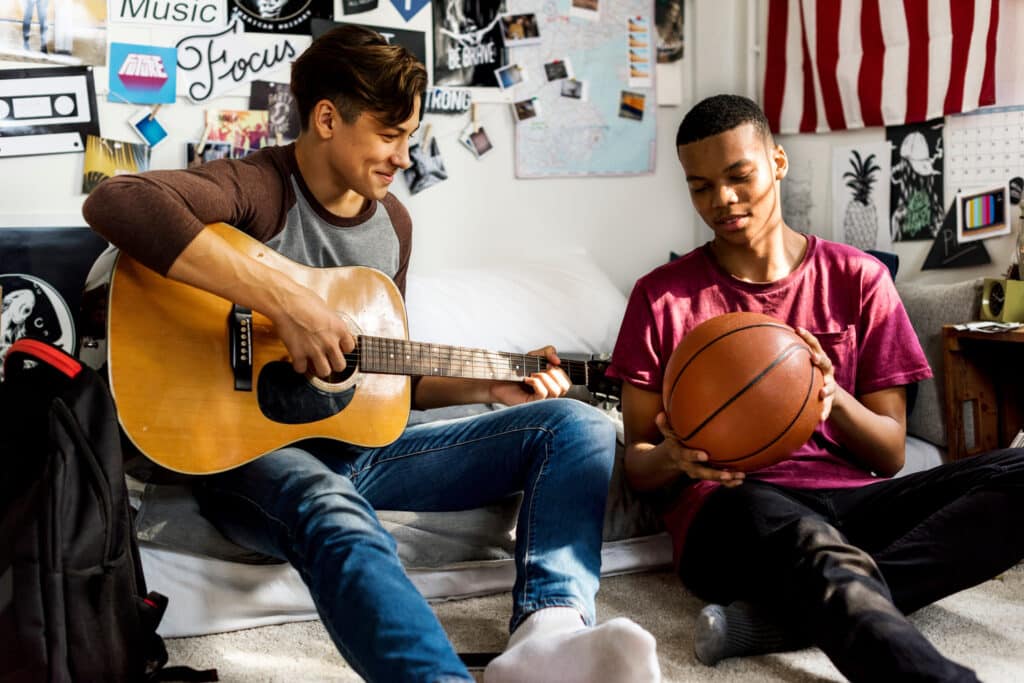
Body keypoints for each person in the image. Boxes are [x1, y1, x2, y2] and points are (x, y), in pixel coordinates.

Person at [83, 25, 660, 683]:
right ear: (327, 117)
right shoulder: (260, 186)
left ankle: (548, 631)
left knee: (579, 426)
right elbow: (117, 200)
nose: (404, 156)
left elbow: (388, 382)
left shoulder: (394, 227)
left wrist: (487, 388)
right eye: (390, 134)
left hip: (361, 449)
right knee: (331, 507)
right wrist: (284, 301)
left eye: (410, 136)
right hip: (245, 457)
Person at [606, 93, 1024, 682]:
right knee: (808, 541)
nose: (721, 200)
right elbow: (639, 468)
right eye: (700, 186)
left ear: (777, 162)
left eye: (738, 176)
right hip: (732, 509)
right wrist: (674, 456)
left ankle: (789, 616)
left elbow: (889, 452)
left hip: (852, 503)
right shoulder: (661, 297)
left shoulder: (860, 278)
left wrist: (833, 397)